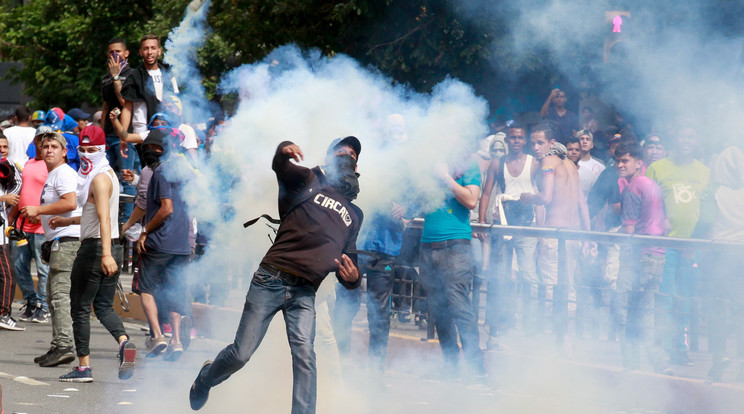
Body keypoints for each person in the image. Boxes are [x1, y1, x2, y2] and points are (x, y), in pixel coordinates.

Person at [189, 137, 364, 413]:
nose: (348, 156)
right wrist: (283, 149)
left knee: (305, 356)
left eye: (353, 155)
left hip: (305, 292)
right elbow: (280, 166)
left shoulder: (355, 214)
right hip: (271, 278)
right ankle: (206, 379)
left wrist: (353, 278)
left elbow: (348, 265)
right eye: (342, 152)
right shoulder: (308, 180)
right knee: (241, 354)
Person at [50, 126, 136, 382]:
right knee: (102, 306)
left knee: (78, 306)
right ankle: (123, 344)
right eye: (83, 150)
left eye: (92, 150)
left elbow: (104, 218)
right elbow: (95, 213)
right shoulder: (107, 173)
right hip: (110, 246)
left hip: (97, 249)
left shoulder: (98, 178)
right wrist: (67, 221)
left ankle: (84, 367)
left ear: (102, 150)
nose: (87, 155)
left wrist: (105, 254)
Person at [646, 121, 710, 366]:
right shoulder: (656, 168)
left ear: (696, 142)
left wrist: (696, 241)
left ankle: (679, 348)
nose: (686, 141)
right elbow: (645, 201)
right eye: (681, 137)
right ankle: (664, 347)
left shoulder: (704, 171)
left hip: (691, 247)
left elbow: (707, 208)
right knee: (666, 297)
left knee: (684, 298)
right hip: (665, 245)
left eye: (690, 137)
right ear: (674, 142)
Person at [520, 123, 590, 342]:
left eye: (539, 142)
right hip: (574, 235)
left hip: (554, 235)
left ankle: (552, 338)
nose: (535, 147)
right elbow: (582, 203)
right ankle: (567, 339)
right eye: (532, 143)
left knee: (550, 288)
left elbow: (546, 197)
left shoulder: (548, 162)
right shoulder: (571, 165)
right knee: (568, 288)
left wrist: (528, 197)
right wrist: (588, 237)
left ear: (551, 143)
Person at [419, 150, 484, 379]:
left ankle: (476, 370)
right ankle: (452, 366)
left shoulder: (467, 163)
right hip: (428, 247)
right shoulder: (428, 164)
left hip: (455, 247)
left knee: (460, 309)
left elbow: (471, 200)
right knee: (439, 311)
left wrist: (444, 176)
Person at [21, 131, 82, 367]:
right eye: (45, 146)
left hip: (68, 242)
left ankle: (65, 345)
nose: (49, 150)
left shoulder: (64, 173)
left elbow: (70, 202)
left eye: (54, 146)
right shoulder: (54, 174)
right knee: (51, 294)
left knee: (59, 296)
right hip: (58, 241)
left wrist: (38, 211)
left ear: (64, 152)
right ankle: (57, 345)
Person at [133, 127, 192, 361]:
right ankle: (176, 340)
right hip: (181, 244)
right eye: (149, 148)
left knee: (146, 289)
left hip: (159, 243)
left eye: (155, 148)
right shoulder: (188, 171)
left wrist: (145, 231)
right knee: (175, 292)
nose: (151, 153)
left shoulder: (161, 172)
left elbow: (166, 208)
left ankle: (157, 336)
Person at [479, 124, 539, 346]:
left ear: (525, 140)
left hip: (526, 224)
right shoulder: (498, 163)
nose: (516, 141)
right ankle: (497, 323)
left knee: (528, 274)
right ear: (507, 141)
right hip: (502, 222)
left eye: (520, 137)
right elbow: (486, 192)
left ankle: (530, 323)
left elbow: (542, 195)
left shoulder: (534, 163)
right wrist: (482, 221)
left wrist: (542, 228)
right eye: (512, 137)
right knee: (499, 275)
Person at [613, 142, 668, 372]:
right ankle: (656, 362)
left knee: (625, 310)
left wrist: (624, 260)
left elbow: (629, 230)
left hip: (640, 257)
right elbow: (666, 222)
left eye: (625, 160)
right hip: (657, 254)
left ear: (638, 163)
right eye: (618, 160)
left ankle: (638, 363)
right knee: (645, 310)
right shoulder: (652, 185)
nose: (620, 164)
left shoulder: (633, 187)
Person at [9, 130, 50, 324]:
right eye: (40, 140)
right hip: (22, 225)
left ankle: (43, 305)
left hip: (42, 227)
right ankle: (31, 302)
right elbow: (22, 192)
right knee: (18, 266)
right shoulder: (28, 164)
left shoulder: (54, 166)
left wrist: (41, 214)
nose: (42, 144)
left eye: (46, 140)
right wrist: (11, 218)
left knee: (43, 269)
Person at [119, 34, 179, 164]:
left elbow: (178, 104)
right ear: (141, 52)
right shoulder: (134, 77)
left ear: (159, 51)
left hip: (167, 132)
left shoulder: (169, 74)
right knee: (148, 172)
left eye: (153, 48)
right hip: (143, 134)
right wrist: (123, 137)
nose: (149, 52)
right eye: (146, 48)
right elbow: (127, 108)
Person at [101, 38, 137, 221]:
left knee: (127, 177)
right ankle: (109, 215)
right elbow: (106, 106)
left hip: (125, 135)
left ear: (126, 53)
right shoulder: (105, 78)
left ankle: (127, 221)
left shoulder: (133, 75)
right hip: (107, 135)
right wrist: (100, 133)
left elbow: (125, 102)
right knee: (105, 177)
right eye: (111, 52)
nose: (115, 55)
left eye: (118, 51)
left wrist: (116, 77)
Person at [0, 133, 23, 331]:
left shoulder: (8, 166)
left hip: (1, 227)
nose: (2, 150)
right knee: (7, 273)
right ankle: (4, 314)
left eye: (5, 147)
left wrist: (9, 198)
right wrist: (3, 199)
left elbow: (18, 184)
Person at [576, 129, 606, 199]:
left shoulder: (600, 165)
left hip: (594, 206)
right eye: (581, 139)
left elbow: (604, 190)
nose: (584, 141)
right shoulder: (571, 164)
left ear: (592, 145)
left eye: (588, 139)